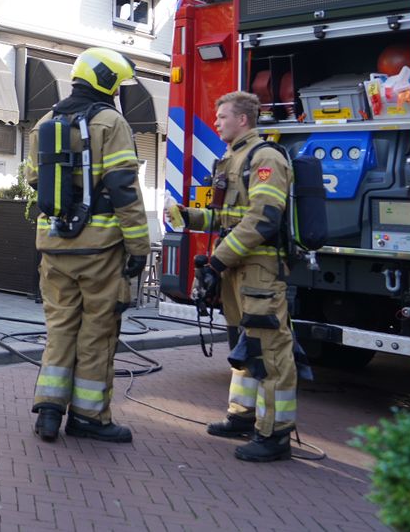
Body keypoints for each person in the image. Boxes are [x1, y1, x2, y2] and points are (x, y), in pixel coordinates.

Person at [24, 47, 150, 444]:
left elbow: (33, 180)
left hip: (54, 247)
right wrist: (139, 247)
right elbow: (124, 188)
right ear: (107, 81)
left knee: (60, 328)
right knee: (97, 333)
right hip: (99, 251)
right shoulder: (111, 122)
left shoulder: (44, 122)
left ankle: (48, 411)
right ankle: (89, 417)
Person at [171, 90, 297, 462]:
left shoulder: (265, 158)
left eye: (222, 116)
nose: (216, 122)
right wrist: (189, 216)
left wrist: (217, 262)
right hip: (237, 270)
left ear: (242, 119)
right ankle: (243, 416)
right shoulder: (233, 157)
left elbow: (263, 219)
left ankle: (275, 436)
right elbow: (228, 218)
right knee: (245, 347)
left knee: (270, 353)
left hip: (259, 270)